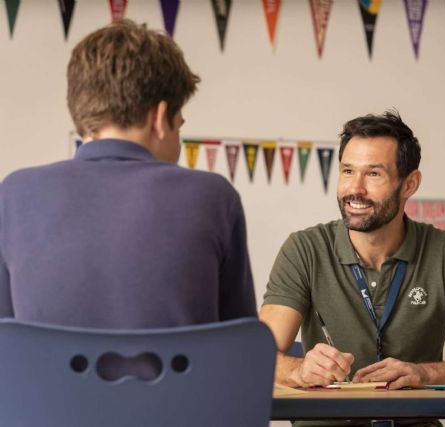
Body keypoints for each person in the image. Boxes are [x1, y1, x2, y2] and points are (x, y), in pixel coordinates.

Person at [260, 110, 445, 425]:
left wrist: (425, 373)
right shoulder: (304, 248)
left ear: (409, 183)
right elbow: (255, 358)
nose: (354, 189)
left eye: (373, 174)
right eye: (347, 171)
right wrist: (298, 370)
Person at [0, 19, 256, 327]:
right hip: (183, 378)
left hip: (41, 378)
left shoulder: (14, 194)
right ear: (160, 118)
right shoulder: (214, 197)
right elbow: (240, 347)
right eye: (179, 125)